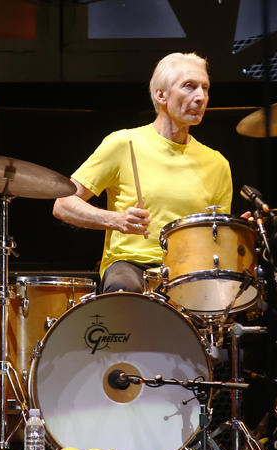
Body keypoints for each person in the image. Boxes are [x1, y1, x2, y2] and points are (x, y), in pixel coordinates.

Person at [52, 52, 234, 293]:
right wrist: (116, 220)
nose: (200, 97)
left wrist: (240, 235)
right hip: (131, 264)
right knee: (123, 290)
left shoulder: (217, 163)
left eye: (205, 88)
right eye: (189, 87)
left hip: (189, 270)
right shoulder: (123, 143)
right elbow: (63, 203)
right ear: (161, 95)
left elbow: (217, 240)